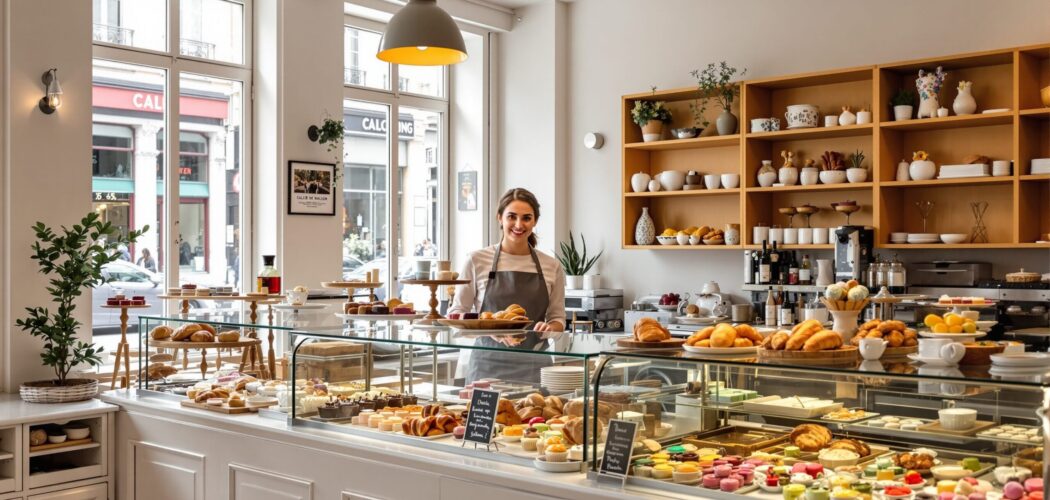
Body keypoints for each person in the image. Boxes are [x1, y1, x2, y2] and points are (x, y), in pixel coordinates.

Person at [448, 188, 566, 384]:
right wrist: (488, 330)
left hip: (535, 367)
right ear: (499, 217)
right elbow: (456, 314)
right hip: (486, 366)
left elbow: (558, 318)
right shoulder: (476, 260)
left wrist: (549, 328)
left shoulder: (551, 266)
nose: (519, 225)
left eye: (526, 218)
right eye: (512, 217)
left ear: (534, 221)